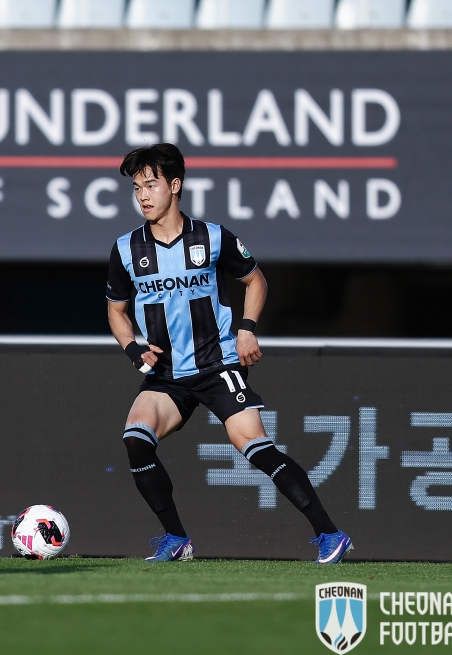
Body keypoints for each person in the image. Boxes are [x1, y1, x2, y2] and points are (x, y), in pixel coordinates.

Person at [106, 143, 352, 564]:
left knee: (254, 445)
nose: (143, 196)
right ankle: (176, 539)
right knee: (135, 439)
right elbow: (116, 310)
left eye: (151, 185)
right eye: (136, 188)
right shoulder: (126, 248)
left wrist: (247, 329)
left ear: (175, 186)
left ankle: (330, 534)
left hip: (217, 365)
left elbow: (256, 281)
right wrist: (133, 349)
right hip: (167, 375)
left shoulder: (213, 237)